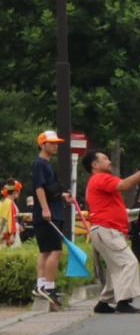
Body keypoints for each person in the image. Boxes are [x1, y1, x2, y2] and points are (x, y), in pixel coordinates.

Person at [80, 150, 140, 314]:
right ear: (95, 165)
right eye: (105, 159)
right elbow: (125, 185)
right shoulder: (101, 178)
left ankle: (104, 302)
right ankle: (124, 301)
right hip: (106, 229)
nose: (109, 161)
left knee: (116, 268)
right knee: (129, 262)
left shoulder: (96, 180)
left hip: (105, 230)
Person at [31, 131, 68, 309]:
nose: (55, 146)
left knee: (46, 251)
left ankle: (41, 286)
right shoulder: (39, 164)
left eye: (56, 143)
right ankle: (49, 287)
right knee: (55, 250)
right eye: (51, 143)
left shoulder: (46, 164)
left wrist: (63, 196)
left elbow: (50, 188)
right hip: (48, 214)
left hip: (53, 211)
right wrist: (45, 208)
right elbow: (38, 187)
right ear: (42, 144)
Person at [0, 179, 22, 249]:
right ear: (15, 192)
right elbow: (9, 219)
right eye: (18, 191)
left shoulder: (5, 202)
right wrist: (11, 234)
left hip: (8, 232)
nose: (19, 193)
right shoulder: (9, 203)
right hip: (9, 234)